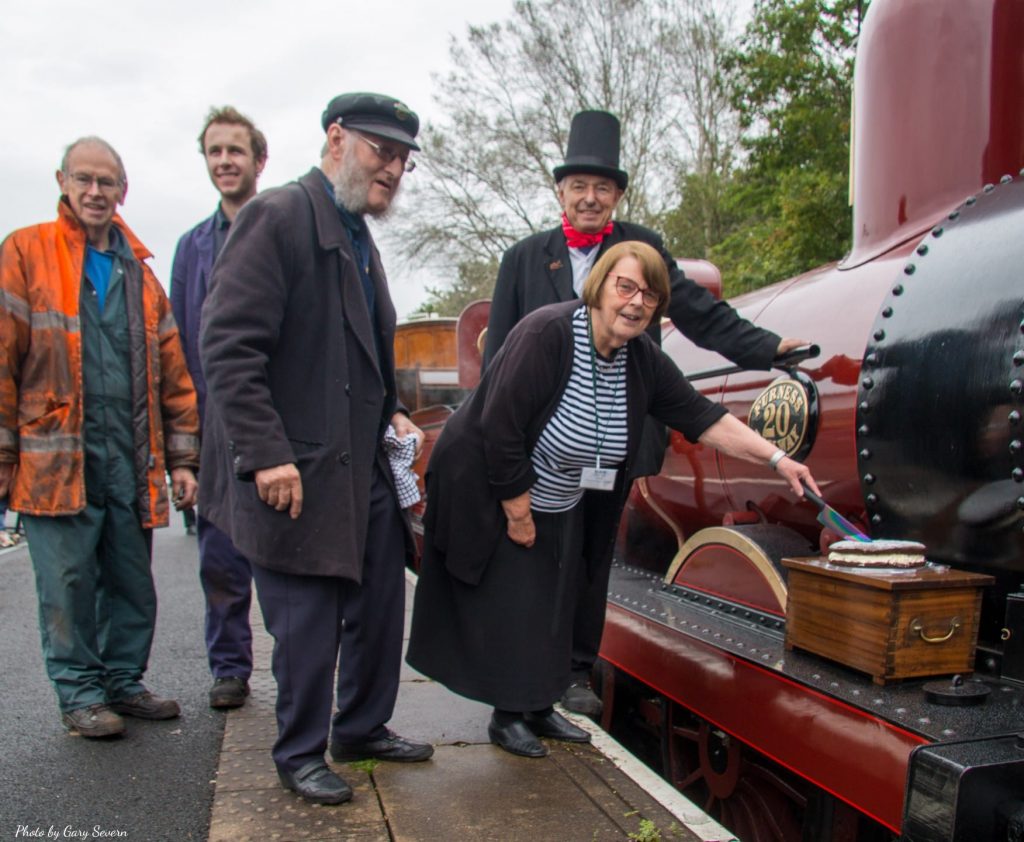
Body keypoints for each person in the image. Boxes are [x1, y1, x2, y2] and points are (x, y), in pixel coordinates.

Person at [407, 240, 819, 758]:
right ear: (599, 285)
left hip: (569, 492)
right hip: (497, 481)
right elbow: (500, 425)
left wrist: (777, 459)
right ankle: (507, 714)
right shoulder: (547, 334)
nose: (636, 302)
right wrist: (516, 508)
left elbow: (702, 417)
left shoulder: (641, 356)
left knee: (561, 599)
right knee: (515, 599)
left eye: (649, 294)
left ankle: (539, 705)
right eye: (626, 286)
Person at [483, 110, 809, 716]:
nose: (589, 197)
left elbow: (701, 317)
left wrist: (769, 348)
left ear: (618, 195)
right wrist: (494, 455)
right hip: (539, 450)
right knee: (533, 563)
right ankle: (517, 690)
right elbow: (499, 355)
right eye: (578, 186)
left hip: (612, 447)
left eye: (602, 187)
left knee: (592, 560)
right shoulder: (524, 259)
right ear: (560, 192)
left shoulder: (646, 252)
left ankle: (576, 675)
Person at [199, 92, 433, 807]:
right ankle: (298, 754)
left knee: (378, 605)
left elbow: (357, 353)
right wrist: (267, 454)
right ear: (336, 138)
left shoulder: (357, 234)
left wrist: (392, 409)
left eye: (401, 158)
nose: (392, 167)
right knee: (305, 626)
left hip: (356, 462)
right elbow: (229, 346)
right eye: (379, 150)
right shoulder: (280, 216)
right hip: (294, 467)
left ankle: (359, 727)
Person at [0, 137, 200, 738]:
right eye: (83, 180)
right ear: (62, 180)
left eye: (106, 182)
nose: (94, 192)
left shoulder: (140, 275)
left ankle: (122, 680)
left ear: (123, 191)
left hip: (129, 455)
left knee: (131, 580)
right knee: (67, 583)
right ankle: (80, 693)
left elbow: (175, 376)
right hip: (54, 454)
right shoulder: (26, 252)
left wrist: (184, 460)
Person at [171, 105, 268, 709]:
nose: (225, 161)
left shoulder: (283, 226)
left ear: (260, 159)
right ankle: (229, 667)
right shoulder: (191, 248)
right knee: (221, 559)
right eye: (215, 152)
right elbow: (182, 345)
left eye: (236, 150)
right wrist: (183, 447)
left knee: (287, 560)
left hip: (278, 426)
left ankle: (304, 670)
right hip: (214, 432)